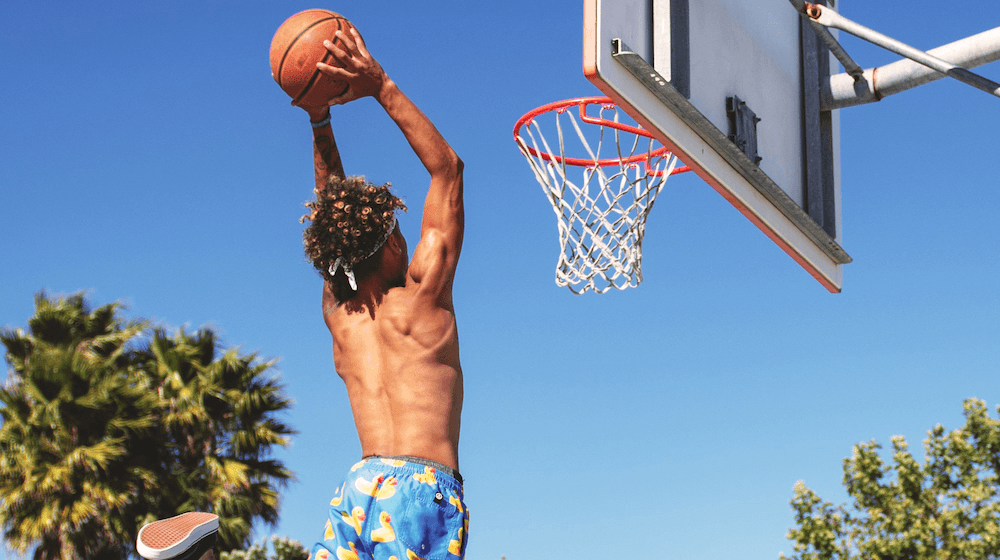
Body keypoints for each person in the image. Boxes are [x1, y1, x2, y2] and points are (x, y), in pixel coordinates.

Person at [136, 25, 467, 560]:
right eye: (399, 233)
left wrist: (320, 118)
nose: (407, 241)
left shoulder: (341, 314)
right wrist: (380, 84)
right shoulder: (422, 300)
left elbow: (333, 208)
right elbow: (447, 170)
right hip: (419, 493)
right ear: (386, 247)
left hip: (360, 488)